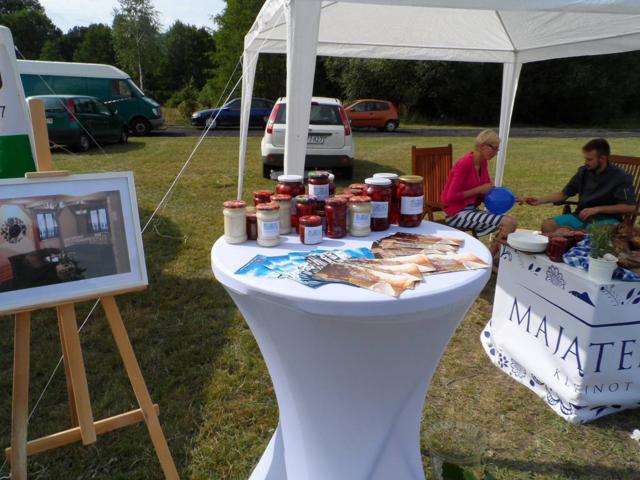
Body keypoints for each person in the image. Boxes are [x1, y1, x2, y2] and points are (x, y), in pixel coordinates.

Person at [524, 138, 637, 233]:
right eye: (585, 158)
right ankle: (571, 234)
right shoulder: (584, 172)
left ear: (602, 158)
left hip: (606, 221)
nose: (585, 162)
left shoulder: (621, 177)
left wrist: (598, 209)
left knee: (582, 233)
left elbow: (630, 207)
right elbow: (564, 194)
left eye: (589, 159)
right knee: (548, 226)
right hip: (581, 217)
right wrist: (539, 200)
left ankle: (571, 234)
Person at [440, 129, 518, 259]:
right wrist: (479, 189)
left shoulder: (483, 163)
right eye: (494, 148)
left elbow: (487, 192)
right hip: (456, 214)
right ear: (482, 146)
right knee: (509, 222)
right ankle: (491, 258)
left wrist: (511, 198)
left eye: (497, 149)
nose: (496, 153)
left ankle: (491, 257)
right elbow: (450, 197)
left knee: (511, 223)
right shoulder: (464, 164)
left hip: (471, 211)